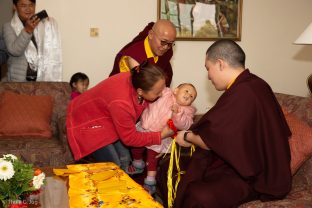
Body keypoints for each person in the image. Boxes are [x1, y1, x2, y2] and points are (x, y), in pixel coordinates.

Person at [157, 39, 292, 208]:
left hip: (256, 176)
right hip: (246, 162)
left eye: (208, 68)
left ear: (220, 64)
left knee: (198, 195)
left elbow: (212, 141)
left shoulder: (243, 92)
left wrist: (187, 136)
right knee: (171, 167)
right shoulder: (256, 84)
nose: (208, 76)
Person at [66, 61, 174, 172]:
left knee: (125, 159)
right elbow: (130, 138)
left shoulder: (137, 78)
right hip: (84, 120)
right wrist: (160, 136)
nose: (161, 94)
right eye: (157, 92)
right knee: (112, 166)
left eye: (163, 89)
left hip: (106, 115)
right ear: (140, 91)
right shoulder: (122, 103)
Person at [129, 83, 197, 194]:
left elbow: (185, 125)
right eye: (187, 91)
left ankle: (150, 182)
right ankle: (137, 163)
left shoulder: (186, 111)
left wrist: (178, 113)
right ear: (175, 90)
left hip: (160, 136)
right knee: (135, 146)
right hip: (144, 127)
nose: (189, 95)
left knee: (152, 158)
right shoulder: (165, 93)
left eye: (192, 97)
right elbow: (156, 86)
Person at [3, 0, 62, 82]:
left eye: (31, 5)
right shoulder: (8, 26)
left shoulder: (42, 25)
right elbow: (15, 51)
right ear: (14, 7)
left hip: (41, 80)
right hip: (19, 82)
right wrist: (27, 30)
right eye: (23, 6)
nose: (28, 9)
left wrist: (49, 27)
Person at [110, 19, 176, 87]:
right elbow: (124, 88)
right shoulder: (132, 57)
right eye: (163, 42)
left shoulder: (166, 52)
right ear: (151, 34)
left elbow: (167, 76)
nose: (166, 47)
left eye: (170, 44)